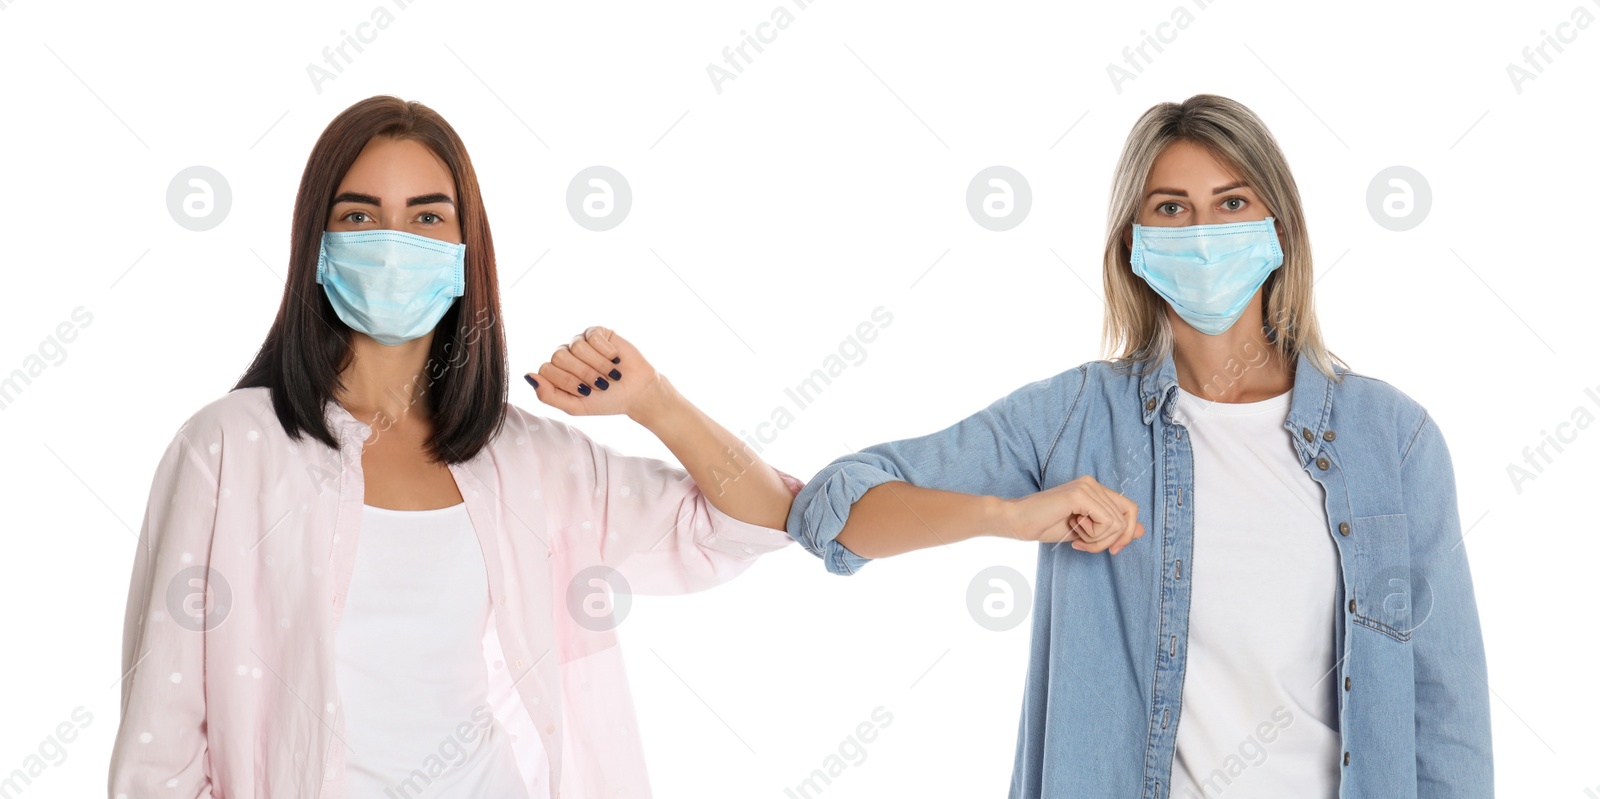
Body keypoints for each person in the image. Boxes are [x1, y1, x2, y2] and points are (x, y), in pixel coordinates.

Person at [785, 94, 1492, 798]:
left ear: (1280, 227)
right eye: (1171, 207)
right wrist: (1011, 515)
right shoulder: (1076, 417)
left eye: (1232, 202)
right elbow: (835, 510)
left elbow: (1446, 707)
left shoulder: (1393, 439)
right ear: (1134, 239)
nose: (1205, 231)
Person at [107, 95, 800, 799]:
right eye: (359, 216)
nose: (391, 240)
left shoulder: (531, 460)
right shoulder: (228, 447)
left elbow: (757, 519)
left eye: (427, 217)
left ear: (466, 252)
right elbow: (158, 748)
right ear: (316, 246)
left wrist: (655, 401)